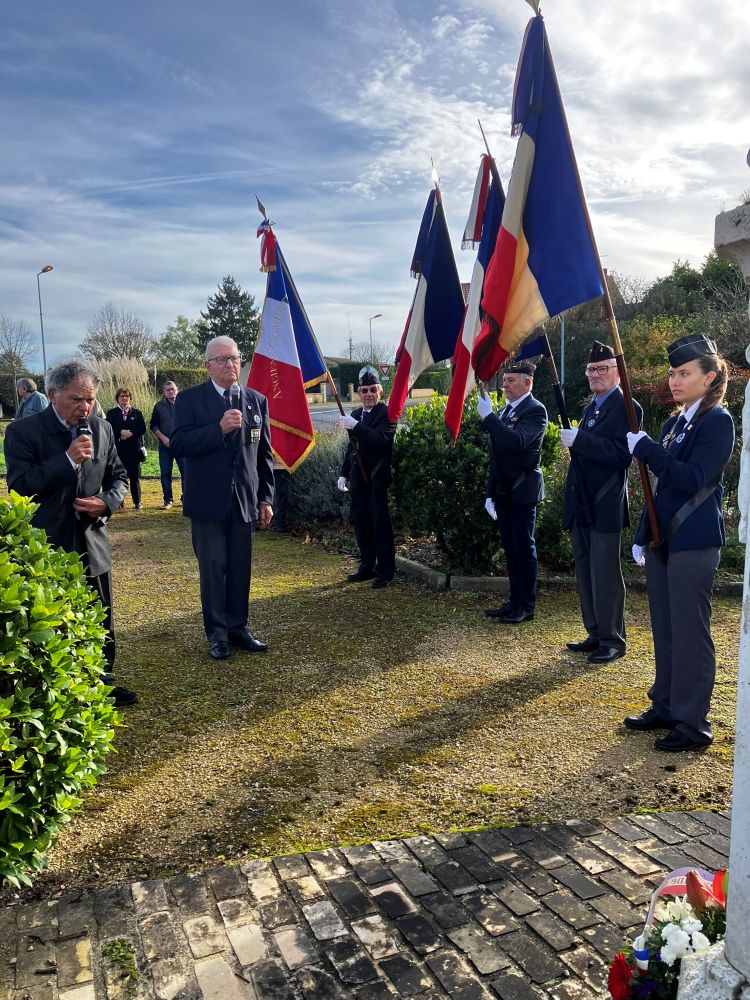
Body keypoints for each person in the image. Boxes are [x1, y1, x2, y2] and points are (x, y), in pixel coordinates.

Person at [4, 359, 136, 707]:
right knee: (55, 617)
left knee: (100, 613)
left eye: (90, 399)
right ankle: (63, 690)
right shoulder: (23, 432)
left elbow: (119, 477)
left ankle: (102, 680)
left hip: (93, 539)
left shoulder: (102, 428)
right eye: (77, 399)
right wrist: (66, 460)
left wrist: (106, 502)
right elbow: (20, 486)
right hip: (48, 543)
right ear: (53, 394)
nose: (85, 407)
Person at [625, 335, 735, 752]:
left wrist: (649, 450)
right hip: (662, 539)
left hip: (694, 540)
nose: (674, 381)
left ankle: (692, 723)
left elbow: (691, 480)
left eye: (684, 373)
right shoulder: (674, 424)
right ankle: (666, 704)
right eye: (672, 374)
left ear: (709, 377)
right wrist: (642, 536)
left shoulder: (717, 422)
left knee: (690, 631)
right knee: (665, 627)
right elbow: (660, 491)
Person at [171, 337, 274, 661]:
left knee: (241, 567)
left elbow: (264, 455)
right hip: (208, 502)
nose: (230, 364)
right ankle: (217, 634)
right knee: (213, 568)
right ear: (208, 367)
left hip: (244, 500)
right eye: (222, 360)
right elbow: (179, 443)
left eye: (234, 358)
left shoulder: (256, 400)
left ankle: (237, 627)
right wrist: (218, 429)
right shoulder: (190, 400)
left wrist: (265, 499)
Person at [560, 341, 643, 663]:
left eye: (602, 369)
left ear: (617, 373)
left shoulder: (628, 408)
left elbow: (622, 456)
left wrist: (581, 440)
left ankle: (613, 640)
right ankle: (595, 632)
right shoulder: (590, 408)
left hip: (605, 502)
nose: (596, 374)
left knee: (605, 574)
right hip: (582, 502)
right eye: (591, 370)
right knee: (585, 571)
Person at [477, 360, 548, 623]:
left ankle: (526, 605)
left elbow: (516, 442)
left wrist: (489, 418)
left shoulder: (535, 410)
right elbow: (496, 456)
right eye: (504, 380)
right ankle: (514, 600)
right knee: (510, 546)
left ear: (527, 383)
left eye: (510, 380)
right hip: (504, 491)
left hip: (523, 489)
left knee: (523, 547)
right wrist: (489, 493)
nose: (504, 385)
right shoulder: (506, 411)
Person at [338, 368, 396, 589]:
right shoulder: (355, 414)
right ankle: (367, 566)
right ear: (359, 393)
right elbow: (351, 447)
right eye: (364, 390)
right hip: (358, 479)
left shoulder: (387, 413)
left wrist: (356, 427)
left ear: (380, 392)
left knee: (379, 523)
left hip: (377, 477)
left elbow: (381, 439)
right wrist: (344, 473)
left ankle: (386, 570)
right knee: (362, 523)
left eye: (373, 390)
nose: (369, 394)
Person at [106, 388, 147, 510]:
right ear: (117, 398)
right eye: (122, 396)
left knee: (134, 477)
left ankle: (137, 502)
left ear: (130, 398)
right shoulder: (112, 413)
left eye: (127, 396)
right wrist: (120, 433)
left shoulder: (137, 413)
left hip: (134, 450)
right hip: (118, 450)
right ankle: (119, 502)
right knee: (118, 477)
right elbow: (108, 428)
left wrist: (130, 434)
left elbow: (142, 428)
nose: (124, 398)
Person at [150, 380, 185, 509]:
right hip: (165, 446)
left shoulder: (185, 404)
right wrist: (164, 439)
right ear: (164, 392)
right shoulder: (159, 406)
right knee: (165, 474)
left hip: (182, 445)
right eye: (168, 390)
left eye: (172, 389)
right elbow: (153, 425)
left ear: (177, 390)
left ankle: (186, 498)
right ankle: (168, 500)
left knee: (186, 473)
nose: (170, 391)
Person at [271, 458, 291, 532]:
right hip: (281, 466)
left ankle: (278, 523)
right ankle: (280, 524)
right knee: (282, 497)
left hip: (276, 465)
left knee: (280, 496)